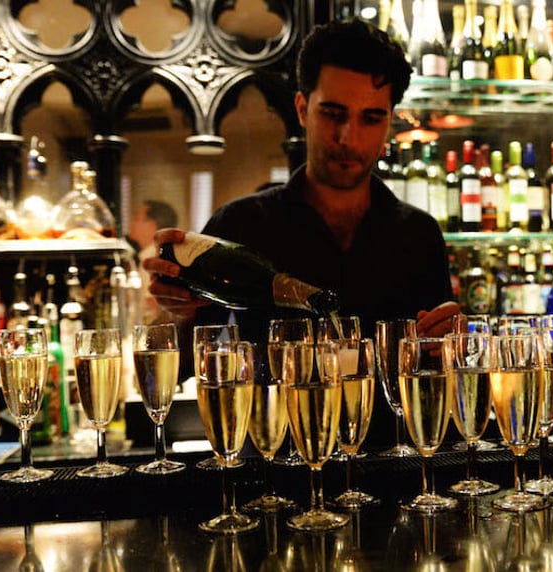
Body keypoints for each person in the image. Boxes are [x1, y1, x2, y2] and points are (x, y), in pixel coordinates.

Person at [143, 19, 460, 447]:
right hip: (273, 474)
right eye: (333, 113)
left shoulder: (419, 235)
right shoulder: (241, 225)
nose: (348, 137)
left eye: (371, 118)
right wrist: (176, 314)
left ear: (389, 123)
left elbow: (436, 375)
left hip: (391, 472)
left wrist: (453, 344)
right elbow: (159, 378)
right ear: (301, 109)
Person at [128, 199, 179, 323]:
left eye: (137, 218)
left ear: (152, 225)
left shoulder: (154, 259)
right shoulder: (147, 255)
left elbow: (154, 306)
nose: (132, 223)